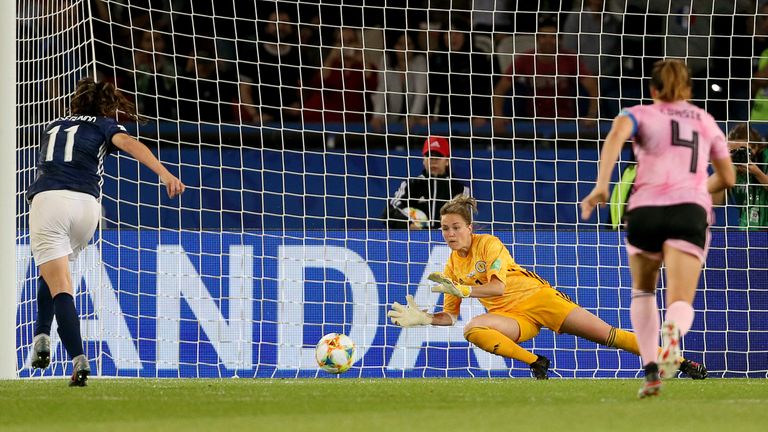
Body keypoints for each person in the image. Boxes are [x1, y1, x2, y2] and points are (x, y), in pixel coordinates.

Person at [387, 196, 709, 381]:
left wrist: (465, 291)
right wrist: (427, 319)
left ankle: (679, 362)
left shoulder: (489, 245)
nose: (450, 234)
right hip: (513, 320)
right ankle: (535, 362)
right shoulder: (451, 266)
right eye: (445, 229)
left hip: (540, 300)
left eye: (456, 227)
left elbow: (497, 289)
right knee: (472, 329)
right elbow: (450, 317)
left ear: (469, 228)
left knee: (608, 336)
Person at [581, 59, 734, 397]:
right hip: (690, 212)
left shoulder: (638, 114)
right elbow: (728, 177)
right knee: (680, 299)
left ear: (652, 90)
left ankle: (651, 370)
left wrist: (602, 185)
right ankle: (673, 335)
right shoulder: (706, 121)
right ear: (689, 90)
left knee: (643, 291)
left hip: (646, 210)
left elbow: (615, 136)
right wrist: (694, 190)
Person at [27, 77, 185, 386]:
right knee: (54, 272)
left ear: (76, 101)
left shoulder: (53, 127)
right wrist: (164, 173)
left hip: (49, 200)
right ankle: (42, 336)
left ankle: (76, 358)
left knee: (59, 285)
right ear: (106, 104)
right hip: (88, 207)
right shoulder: (104, 125)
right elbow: (129, 144)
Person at [493, 15, 598, 134]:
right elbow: (500, 89)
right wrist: (498, 116)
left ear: (560, 39)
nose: (548, 41)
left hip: (566, 120)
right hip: (532, 121)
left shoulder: (570, 58)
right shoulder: (525, 59)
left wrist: (592, 115)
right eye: (543, 36)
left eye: (553, 37)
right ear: (537, 39)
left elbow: (593, 87)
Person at [382, 136, 469, 229]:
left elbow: (465, 222)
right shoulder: (411, 185)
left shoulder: (460, 189)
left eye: (438, 156)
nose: (433, 161)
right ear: (423, 160)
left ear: (447, 161)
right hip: (414, 240)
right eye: (429, 156)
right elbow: (388, 213)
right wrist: (409, 225)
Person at [712, 124, 768, 229]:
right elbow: (716, 202)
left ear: (755, 147)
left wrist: (757, 172)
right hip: (746, 230)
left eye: (743, 150)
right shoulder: (732, 169)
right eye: (733, 152)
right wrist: (724, 170)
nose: (738, 155)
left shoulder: (766, 158)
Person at [370, 32, 429, 132]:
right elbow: (381, 90)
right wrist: (378, 116)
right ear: (394, 46)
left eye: (409, 45)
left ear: (414, 46)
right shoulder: (386, 60)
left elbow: (421, 92)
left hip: (415, 122)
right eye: (400, 44)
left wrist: (413, 116)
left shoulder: (420, 61)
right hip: (391, 120)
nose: (405, 49)